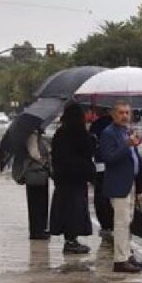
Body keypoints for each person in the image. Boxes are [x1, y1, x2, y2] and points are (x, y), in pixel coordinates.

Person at [99, 100, 142, 273]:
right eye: (121, 112)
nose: (125, 116)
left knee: (128, 221)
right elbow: (108, 157)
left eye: (127, 112)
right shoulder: (109, 133)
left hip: (130, 182)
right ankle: (120, 260)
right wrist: (126, 145)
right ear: (113, 114)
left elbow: (133, 156)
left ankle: (127, 255)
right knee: (121, 222)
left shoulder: (126, 131)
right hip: (118, 184)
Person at [49, 102, 95, 255]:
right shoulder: (79, 133)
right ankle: (71, 241)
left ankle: (70, 239)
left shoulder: (60, 133)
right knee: (75, 209)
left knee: (66, 209)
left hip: (62, 179)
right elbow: (88, 152)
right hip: (76, 178)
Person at [89, 106, 114, 241]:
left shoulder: (95, 126)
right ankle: (112, 222)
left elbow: (90, 146)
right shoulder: (115, 124)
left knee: (100, 197)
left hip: (99, 165)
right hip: (113, 166)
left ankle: (105, 225)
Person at [24, 126, 51, 240]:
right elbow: (34, 153)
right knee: (36, 203)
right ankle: (36, 231)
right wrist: (43, 162)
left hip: (41, 174)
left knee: (42, 202)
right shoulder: (32, 137)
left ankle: (41, 228)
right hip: (35, 174)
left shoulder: (39, 138)